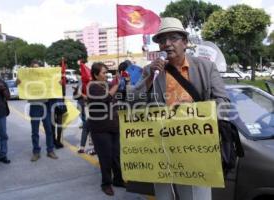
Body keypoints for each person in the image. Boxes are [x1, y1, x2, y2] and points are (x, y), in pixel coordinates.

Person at [128, 17, 230, 200]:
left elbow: (224, 102)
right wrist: (150, 78)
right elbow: (132, 102)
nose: (167, 44)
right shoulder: (151, 71)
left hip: (196, 150)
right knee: (165, 195)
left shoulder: (206, 67)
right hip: (162, 152)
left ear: (184, 42)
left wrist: (192, 114)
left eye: (173, 38)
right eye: (162, 40)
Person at [87, 62, 125, 196]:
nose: (106, 75)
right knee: (106, 158)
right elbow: (106, 98)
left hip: (113, 126)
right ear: (95, 75)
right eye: (103, 73)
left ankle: (118, 179)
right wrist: (116, 86)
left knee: (116, 155)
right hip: (100, 128)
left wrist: (123, 83)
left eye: (106, 72)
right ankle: (106, 183)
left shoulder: (107, 85)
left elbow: (119, 95)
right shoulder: (92, 87)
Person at [17, 60, 58, 161]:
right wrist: (17, 82)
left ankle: (50, 150)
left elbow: (55, 85)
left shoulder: (45, 77)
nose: (36, 69)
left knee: (49, 130)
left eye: (37, 68)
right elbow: (19, 85)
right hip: (34, 106)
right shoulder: (27, 79)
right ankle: (36, 152)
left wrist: (59, 83)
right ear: (31, 69)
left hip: (45, 106)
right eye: (34, 68)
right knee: (35, 131)